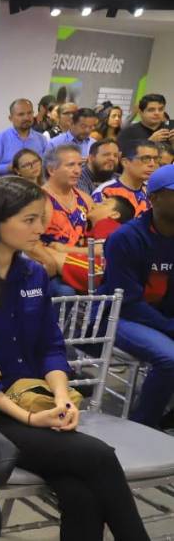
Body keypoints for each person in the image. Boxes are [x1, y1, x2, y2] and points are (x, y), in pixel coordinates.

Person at [0, 176, 149, 541]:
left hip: (36, 397)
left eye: (42, 218)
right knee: (98, 456)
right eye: (29, 219)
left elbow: (51, 347)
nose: (41, 228)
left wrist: (59, 397)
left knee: (82, 494)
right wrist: (29, 417)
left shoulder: (33, 272)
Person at [99, 164, 174, 428]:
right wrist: (170, 328)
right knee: (170, 358)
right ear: (154, 199)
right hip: (122, 317)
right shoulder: (126, 238)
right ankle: (143, 425)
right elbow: (128, 303)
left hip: (162, 316)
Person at [42, 145, 93, 255]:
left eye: (80, 165)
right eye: (70, 165)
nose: (78, 171)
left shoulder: (85, 199)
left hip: (81, 264)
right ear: (51, 170)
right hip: (49, 266)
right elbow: (30, 246)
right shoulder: (40, 200)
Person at [92, 140, 160, 218]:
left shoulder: (154, 191)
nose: (152, 164)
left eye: (156, 159)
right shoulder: (105, 191)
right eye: (145, 159)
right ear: (125, 162)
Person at [0, 98, 49, 176]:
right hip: (6, 185)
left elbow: (48, 165)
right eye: (21, 114)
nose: (26, 118)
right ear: (10, 118)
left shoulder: (42, 140)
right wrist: (7, 168)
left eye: (29, 113)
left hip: (34, 185)